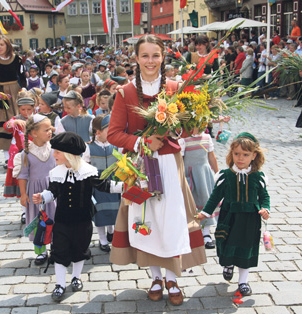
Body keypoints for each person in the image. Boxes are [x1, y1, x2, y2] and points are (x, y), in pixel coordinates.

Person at [107, 34, 207, 306]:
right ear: (136, 59)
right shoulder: (126, 92)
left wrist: (197, 121)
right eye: (144, 56)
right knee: (146, 218)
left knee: (171, 219)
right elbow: (113, 134)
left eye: (155, 55)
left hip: (169, 164)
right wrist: (141, 141)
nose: (150, 61)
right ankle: (154, 276)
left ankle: (173, 277)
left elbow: (186, 128)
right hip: (140, 167)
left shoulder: (177, 88)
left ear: (163, 57)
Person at [32, 132, 122, 301]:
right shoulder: (56, 173)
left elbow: (105, 185)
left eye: (57, 152)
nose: (54, 155)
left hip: (83, 220)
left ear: (69, 155)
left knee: (80, 249)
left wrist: (125, 186)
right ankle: (60, 284)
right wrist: (42, 196)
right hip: (62, 220)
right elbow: (53, 192)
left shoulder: (87, 172)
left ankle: (76, 277)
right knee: (59, 251)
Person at [196, 132, 270, 297]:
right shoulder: (226, 176)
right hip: (229, 218)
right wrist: (205, 213)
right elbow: (215, 196)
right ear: (231, 154)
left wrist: (265, 208)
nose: (240, 158)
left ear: (254, 156)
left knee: (247, 249)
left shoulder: (258, 177)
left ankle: (243, 282)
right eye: (237, 154)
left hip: (250, 219)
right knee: (226, 245)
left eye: (245, 154)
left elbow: (264, 196)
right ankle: (228, 265)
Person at [16, 114, 56, 266]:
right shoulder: (26, 154)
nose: (50, 132)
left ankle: (55, 247)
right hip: (35, 193)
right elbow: (23, 175)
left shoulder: (54, 149)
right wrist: (23, 194)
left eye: (50, 129)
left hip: (52, 191)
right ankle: (41, 251)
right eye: (46, 130)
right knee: (38, 221)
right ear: (34, 133)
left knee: (54, 216)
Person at [0, 35, 27, 165]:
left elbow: (22, 77)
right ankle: (7, 156)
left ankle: (20, 150)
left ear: (7, 45)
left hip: (14, 91)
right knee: (3, 122)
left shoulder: (17, 60)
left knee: (17, 120)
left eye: (1, 45)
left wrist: (23, 90)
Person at [82, 115, 120, 252]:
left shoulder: (115, 146)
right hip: (98, 183)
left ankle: (112, 230)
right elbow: (85, 165)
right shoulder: (89, 148)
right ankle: (102, 239)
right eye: (108, 129)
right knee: (100, 212)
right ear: (97, 132)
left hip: (114, 182)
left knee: (114, 210)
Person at [180, 131, 219, 250]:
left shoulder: (206, 138)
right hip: (190, 175)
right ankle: (191, 231)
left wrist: (217, 174)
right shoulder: (184, 139)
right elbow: (180, 160)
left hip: (204, 175)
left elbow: (211, 156)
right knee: (191, 202)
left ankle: (206, 232)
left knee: (206, 200)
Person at [3, 94, 35, 199]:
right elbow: (6, 126)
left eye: (29, 109)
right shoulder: (16, 119)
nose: (26, 112)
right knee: (22, 176)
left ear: (34, 108)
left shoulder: (37, 118)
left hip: (35, 151)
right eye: (23, 109)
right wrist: (14, 122)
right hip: (21, 152)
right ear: (18, 108)